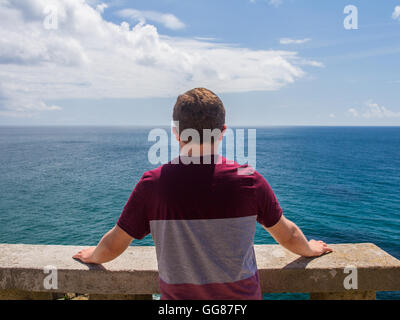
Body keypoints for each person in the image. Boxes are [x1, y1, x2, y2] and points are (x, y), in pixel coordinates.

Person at [73, 88, 332, 300]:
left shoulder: (153, 184)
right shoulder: (249, 180)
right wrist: (309, 249)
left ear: (176, 134)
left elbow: (115, 243)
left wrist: (93, 256)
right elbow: (287, 234)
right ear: (222, 132)